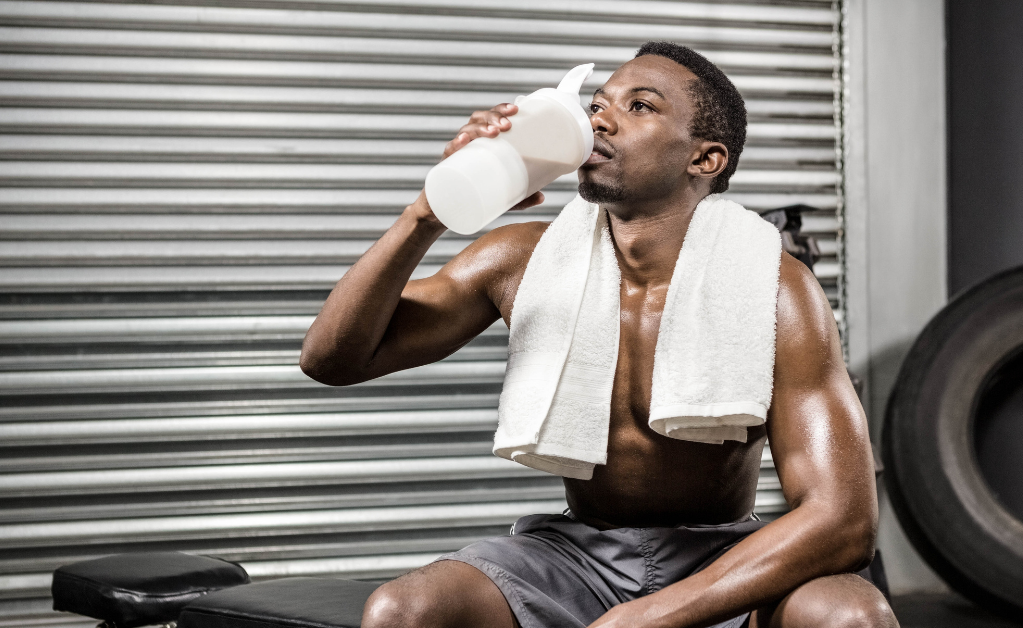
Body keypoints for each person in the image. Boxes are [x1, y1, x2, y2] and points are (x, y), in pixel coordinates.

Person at [300, 41, 898, 628]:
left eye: (639, 106)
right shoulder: (521, 258)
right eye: (598, 103)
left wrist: (647, 617)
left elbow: (844, 518)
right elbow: (332, 358)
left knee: (851, 614)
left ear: (705, 159)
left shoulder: (774, 287)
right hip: (575, 556)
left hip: (721, 556)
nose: (601, 117)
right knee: (403, 611)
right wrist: (430, 209)